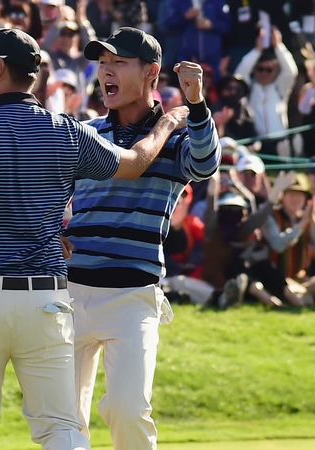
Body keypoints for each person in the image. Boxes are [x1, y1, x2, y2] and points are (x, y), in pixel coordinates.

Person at [0, 28, 188, 450]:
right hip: (46, 302)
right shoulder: (67, 131)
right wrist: (167, 123)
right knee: (60, 429)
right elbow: (134, 164)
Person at [64, 27, 221, 450]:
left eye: (118, 62)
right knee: (64, 419)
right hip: (71, 292)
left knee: (129, 412)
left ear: (151, 72)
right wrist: (51, 230)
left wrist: (197, 104)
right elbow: (52, 194)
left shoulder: (178, 137)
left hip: (132, 297)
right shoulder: (88, 131)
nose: (105, 72)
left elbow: (205, 165)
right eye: (102, 63)